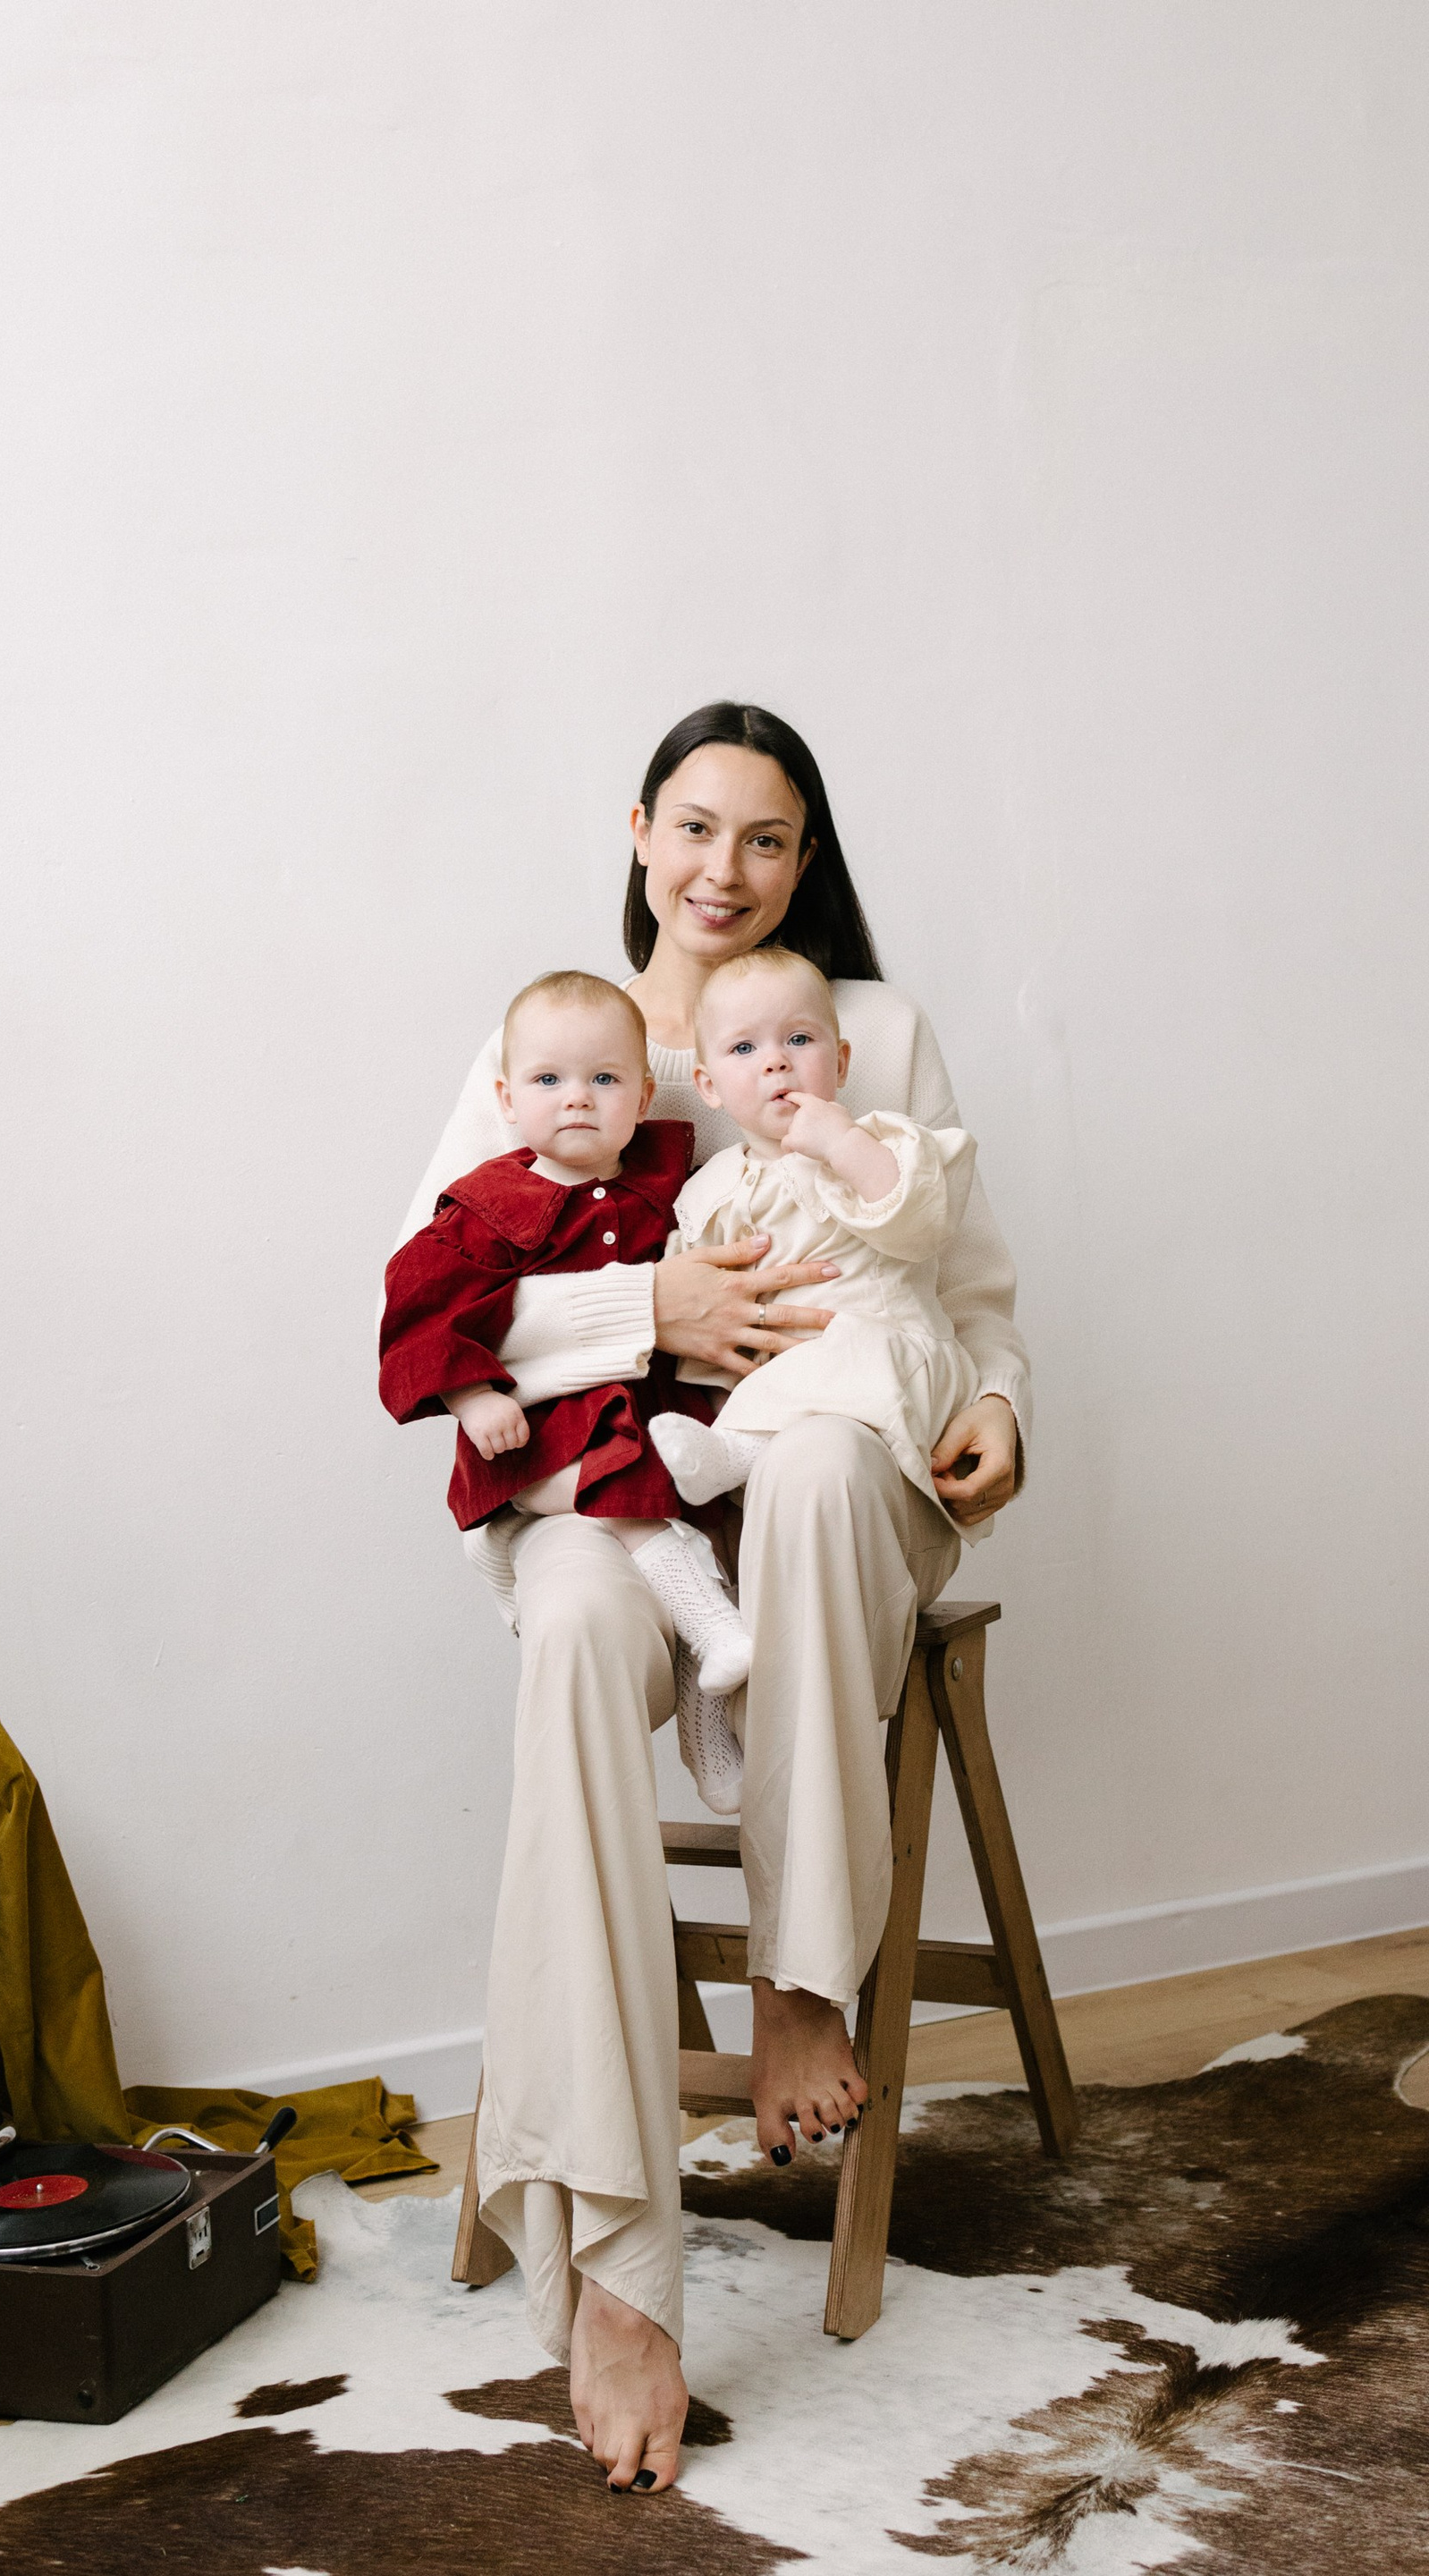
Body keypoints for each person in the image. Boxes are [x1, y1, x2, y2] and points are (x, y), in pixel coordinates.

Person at [393, 702, 1028, 2495]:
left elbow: (971, 1287)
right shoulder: (557, 1038)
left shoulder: (869, 1026)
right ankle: (617, 2267)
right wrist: (643, 1315)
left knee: (816, 1466)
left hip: (843, 1465)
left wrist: (1001, 1407)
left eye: (765, 837)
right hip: (619, 1477)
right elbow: (427, 1302)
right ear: (639, 831)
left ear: (806, 857)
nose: (723, 869)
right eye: (694, 827)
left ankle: (801, 1975)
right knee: (580, 1629)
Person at [378, 970, 751, 1705]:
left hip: (653, 1417)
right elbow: (422, 1313)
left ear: (642, 1099)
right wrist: (472, 1397)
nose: (577, 1097)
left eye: (604, 1079)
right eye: (548, 1079)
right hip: (537, 1443)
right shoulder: (488, 1207)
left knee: (704, 1520)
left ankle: (711, 1724)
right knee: (629, 1489)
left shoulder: (667, 1184)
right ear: (507, 1100)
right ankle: (716, 1627)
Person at [649, 945, 985, 1549]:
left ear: (842, 1061)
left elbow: (924, 1223)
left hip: (892, 1352)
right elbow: (703, 1320)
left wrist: (842, 1144)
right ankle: (738, 1451)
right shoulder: (710, 1194)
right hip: (779, 1398)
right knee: (771, 1422)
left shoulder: (882, 1143)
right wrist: (724, 1386)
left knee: (843, 1352)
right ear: (708, 1085)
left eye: (799, 1040)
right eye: (743, 1048)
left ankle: (738, 1452)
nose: (775, 1061)